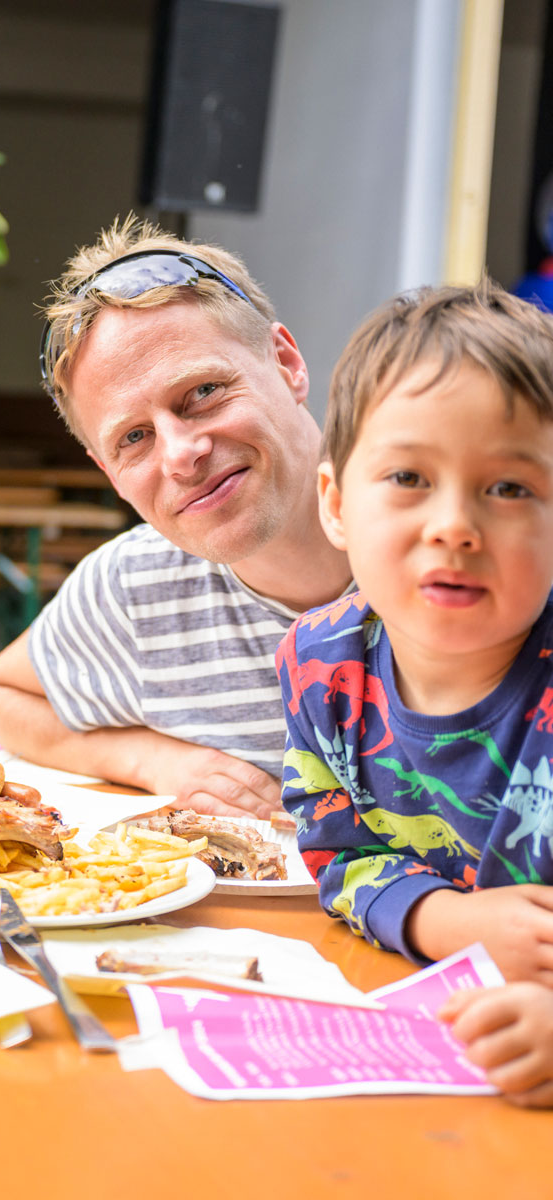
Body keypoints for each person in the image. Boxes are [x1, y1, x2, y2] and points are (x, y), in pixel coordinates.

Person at [276, 279, 553, 1107]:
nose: (455, 525)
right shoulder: (321, 665)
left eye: (510, 488)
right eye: (407, 476)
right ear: (334, 503)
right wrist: (448, 924)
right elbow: (338, 851)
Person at [0, 216, 350, 817]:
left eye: (201, 393)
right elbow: (3, 696)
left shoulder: (444, 535)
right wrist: (156, 760)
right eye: (134, 437)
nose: (180, 456)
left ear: (287, 364)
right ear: (108, 473)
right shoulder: (134, 585)